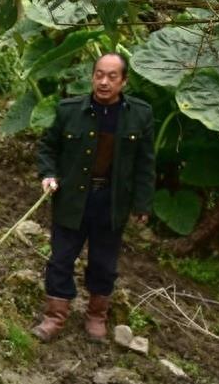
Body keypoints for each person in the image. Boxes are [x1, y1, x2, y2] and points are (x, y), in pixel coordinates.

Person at [31, 52, 155, 342]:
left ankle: (96, 317)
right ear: (92, 77)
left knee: (103, 262)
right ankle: (54, 316)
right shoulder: (69, 110)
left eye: (112, 76)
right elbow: (47, 148)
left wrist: (141, 204)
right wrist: (48, 175)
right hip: (73, 198)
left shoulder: (140, 114)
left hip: (111, 202)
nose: (104, 82)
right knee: (61, 258)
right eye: (99, 74)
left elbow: (145, 164)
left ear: (123, 81)